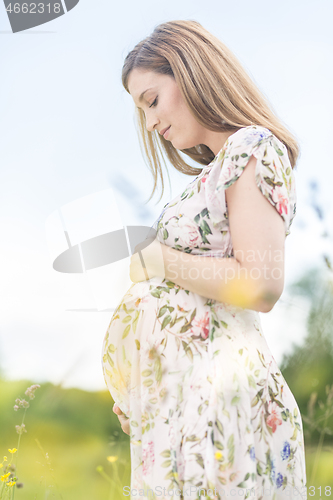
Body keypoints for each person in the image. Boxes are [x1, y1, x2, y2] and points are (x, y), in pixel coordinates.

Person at [101, 20, 307, 500]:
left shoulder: (251, 147)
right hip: (182, 406)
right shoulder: (213, 175)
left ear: (190, 72)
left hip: (225, 405)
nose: (150, 123)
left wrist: (157, 260)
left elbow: (260, 285)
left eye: (151, 100)